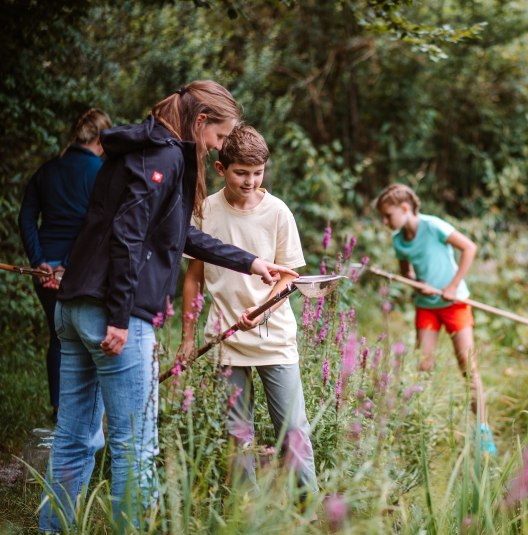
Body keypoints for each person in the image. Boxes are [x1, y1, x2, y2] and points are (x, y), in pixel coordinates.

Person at [39, 81, 299, 533]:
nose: (217, 146)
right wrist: (120, 317)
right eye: (218, 137)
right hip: (113, 317)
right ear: (200, 123)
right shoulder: (163, 157)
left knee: (73, 438)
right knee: (134, 446)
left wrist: (251, 261)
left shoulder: (136, 147)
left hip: (74, 305)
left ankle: (52, 529)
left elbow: (178, 235)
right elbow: (128, 235)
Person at [178, 125, 317, 498]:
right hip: (226, 339)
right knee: (236, 433)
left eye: (258, 173)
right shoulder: (205, 210)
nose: (251, 181)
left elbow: (289, 279)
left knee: (292, 430)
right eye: (242, 172)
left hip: (274, 339)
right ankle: (247, 513)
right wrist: (187, 337)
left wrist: (260, 309)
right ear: (221, 169)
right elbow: (193, 278)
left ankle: (308, 511)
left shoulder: (277, 213)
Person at [375, 183, 496, 455]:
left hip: (455, 303)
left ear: (405, 209)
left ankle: (483, 430)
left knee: (467, 367)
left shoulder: (433, 226)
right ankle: (422, 429)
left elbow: (470, 248)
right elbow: (408, 274)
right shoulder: (399, 241)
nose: (385, 222)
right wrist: (418, 283)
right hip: (426, 306)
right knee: (423, 366)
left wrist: (452, 286)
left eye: (388, 215)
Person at [18, 108, 112, 421]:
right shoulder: (101, 172)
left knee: (58, 336)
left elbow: (26, 218)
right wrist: (69, 266)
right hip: (82, 272)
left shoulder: (47, 170)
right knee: (89, 339)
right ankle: (86, 414)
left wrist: (40, 262)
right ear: (101, 139)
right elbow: (96, 225)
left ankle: (60, 409)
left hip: (42, 271)